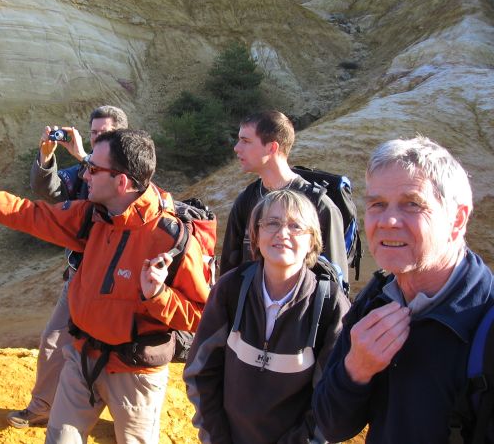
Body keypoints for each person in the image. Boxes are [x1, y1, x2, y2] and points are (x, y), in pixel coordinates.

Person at [0, 129, 210, 443]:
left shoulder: (171, 239)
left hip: (135, 375)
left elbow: (200, 316)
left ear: (121, 182)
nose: (84, 175)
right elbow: (28, 214)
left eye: (93, 168)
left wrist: (158, 296)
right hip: (81, 358)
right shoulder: (91, 217)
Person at [312, 136, 494, 442]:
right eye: (377, 204)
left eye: (412, 204)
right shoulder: (376, 300)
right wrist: (356, 369)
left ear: (457, 219)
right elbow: (331, 425)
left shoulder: (485, 325)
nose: (389, 221)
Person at [184, 189, 350, 443]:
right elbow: (201, 373)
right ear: (256, 234)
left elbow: (328, 404)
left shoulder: (330, 306)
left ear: (312, 241)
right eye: (272, 223)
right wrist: (217, 438)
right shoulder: (231, 289)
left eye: (296, 226)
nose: (282, 233)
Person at [8, 105, 129, 428]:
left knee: (120, 353)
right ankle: (42, 407)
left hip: (119, 284)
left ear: (121, 136)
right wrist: (46, 157)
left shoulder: (131, 172)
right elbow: (47, 191)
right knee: (53, 340)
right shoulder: (82, 172)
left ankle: (126, 422)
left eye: (104, 134)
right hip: (80, 276)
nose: (96, 139)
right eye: (93, 133)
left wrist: (84, 156)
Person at [219, 110, 348, 281]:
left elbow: (335, 279)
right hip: (251, 298)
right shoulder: (246, 199)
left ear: (272, 147)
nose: (237, 148)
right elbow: (229, 272)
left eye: (246, 141)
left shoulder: (319, 204)